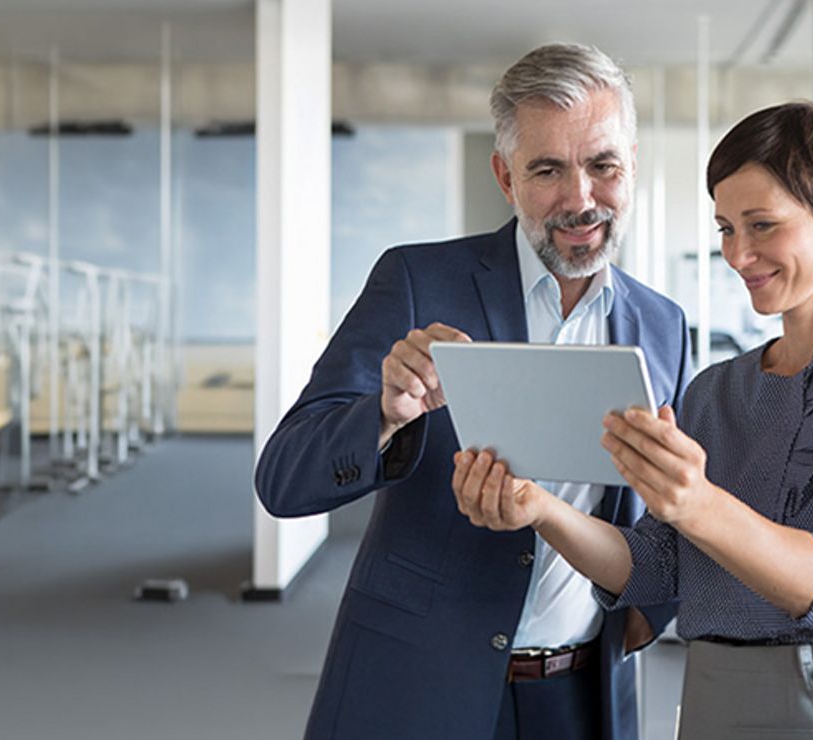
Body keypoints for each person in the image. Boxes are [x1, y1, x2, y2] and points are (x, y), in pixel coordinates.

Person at [453, 101, 813, 739]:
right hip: (711, 701)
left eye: (761, 225)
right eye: (726, 228)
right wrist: (540, 509)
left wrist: (697, 503)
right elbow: (657, 568)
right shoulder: (716, 389)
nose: (738, 254)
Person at [255, 43, 692, 740]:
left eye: (603, 165)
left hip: (584, 697)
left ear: (632, 164)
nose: (580, 198)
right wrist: (384, 416)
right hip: (417, 686)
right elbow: (284, 481)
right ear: (505, 175)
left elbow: (660, 512)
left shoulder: (662, 326)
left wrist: (651, 608)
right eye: (547, 169)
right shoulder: (417, 283)